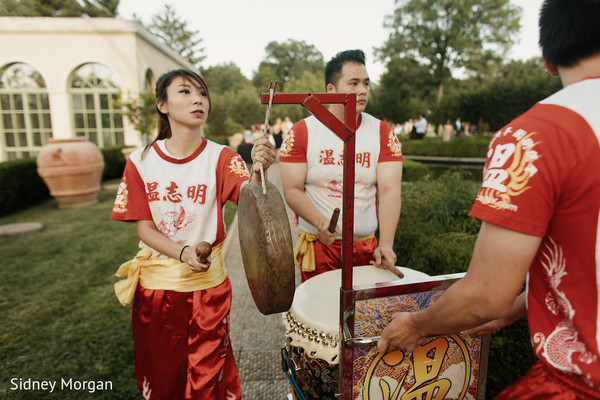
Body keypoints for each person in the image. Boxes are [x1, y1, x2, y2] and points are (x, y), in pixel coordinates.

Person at [378, 0, 600, 398]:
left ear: (548, 58)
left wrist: (415, 325)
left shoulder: (534, 136)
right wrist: (512, 310)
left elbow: (486, 294)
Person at [111, 69, 276, 399]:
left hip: (208, 291)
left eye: (202, 92)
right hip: (157, 291)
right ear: (162, 105)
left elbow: (252, 203)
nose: (198, 98)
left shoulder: (223, 158)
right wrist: (184, 253)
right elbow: (145, 229)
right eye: (185, 92)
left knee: (208, 378)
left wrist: (262, 168)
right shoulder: (141, 162)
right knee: (163, 378)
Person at [278, 49, 404, 282]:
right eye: (353, 83)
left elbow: (390, 190)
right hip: (321, 245)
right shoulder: (302, 132)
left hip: (366, 247)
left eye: (366, 83)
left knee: (366, 316)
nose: (363, 90)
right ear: (331, 90)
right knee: (320, 313)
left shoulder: (383, 133)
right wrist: (319, 221)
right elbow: (292, 189)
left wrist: (386, 244)